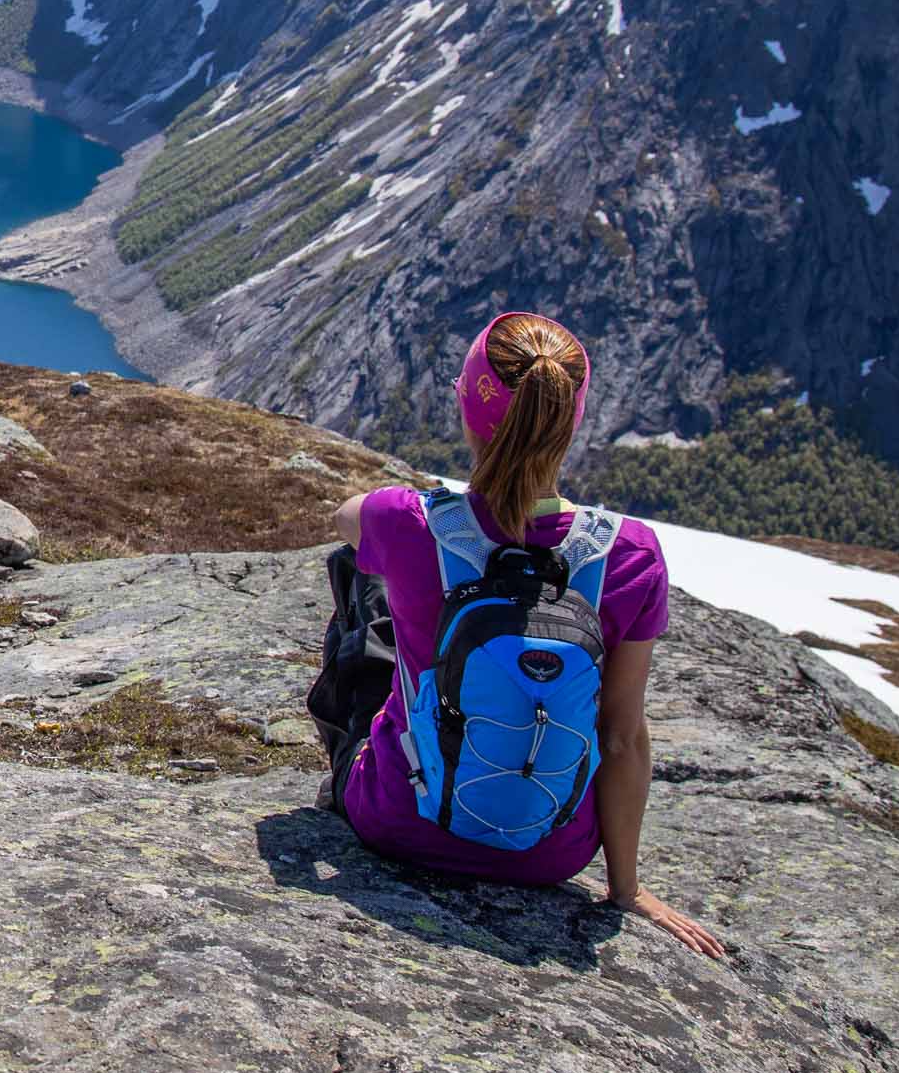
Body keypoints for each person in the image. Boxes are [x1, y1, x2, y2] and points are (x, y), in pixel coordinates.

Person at [308, 311, 726, 959]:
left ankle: (354, 767)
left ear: (469, 410)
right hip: (549, 855)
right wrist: (626, 889)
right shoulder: (633, 554)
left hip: (395, 823)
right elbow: (622, 734)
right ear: (569, 417)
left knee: (355, 570)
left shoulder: (406, 521)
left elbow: (344, 518)